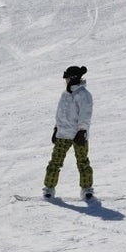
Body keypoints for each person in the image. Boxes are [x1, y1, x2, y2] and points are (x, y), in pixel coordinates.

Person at [42, 65, 95, 200]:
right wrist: (56, 129)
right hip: (63, 134)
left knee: (82, 162)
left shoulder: (83, 95)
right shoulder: (65, 94)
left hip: (78, 135)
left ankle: (87, 189)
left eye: (67, 77)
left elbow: (85, 114)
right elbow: (60, 114)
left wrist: (82, 131)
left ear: (73, 78)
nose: (65, 80)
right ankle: (49, 188)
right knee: (55, 162)